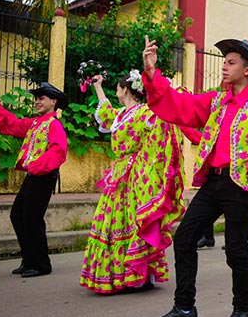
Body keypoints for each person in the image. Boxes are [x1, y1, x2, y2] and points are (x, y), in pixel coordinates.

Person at [142, 36, 248, 317]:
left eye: (231, 63)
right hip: (213, 182)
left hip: (242, 185)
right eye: (224, 62)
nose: (224, 68)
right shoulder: (217, 100)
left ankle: (242, 308)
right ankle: (184, 309)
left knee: (235, 250)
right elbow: (181, 106)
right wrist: (153, 74)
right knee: (185, 238)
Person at [79, 72, 187, 294]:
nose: (116, 93)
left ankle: (138, 274)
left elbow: (162, 124)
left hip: (138, 175)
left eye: (117, 89)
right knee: (114, 221)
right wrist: (98, 87)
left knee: (135, 220)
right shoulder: (120, 115)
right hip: (119, 176)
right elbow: (106, 114)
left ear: (125, 89)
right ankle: (125, 274)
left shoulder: (146, 112)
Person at [0, 82, 68, 278]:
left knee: (32, 218)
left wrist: (36, 166)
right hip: (34, 175)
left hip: (43, 176)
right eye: (36, 98)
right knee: (18, 215)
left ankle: (41, 264)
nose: (37, 102)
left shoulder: (54, 124)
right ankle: (29, 260)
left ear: (53, 102)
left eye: (41, 98)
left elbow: (59, 152)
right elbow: (11, 123)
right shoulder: (36, 123)